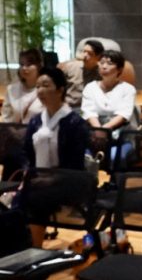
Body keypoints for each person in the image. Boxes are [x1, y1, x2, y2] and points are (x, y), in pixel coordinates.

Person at [17, 67, 90, 246]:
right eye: (38, 86)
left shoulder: (75, 123)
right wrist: (28, 173)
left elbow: (74, 164)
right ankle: (18, 247)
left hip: (67, 181)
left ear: (60, 90)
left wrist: (51, 179)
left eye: (46, 85)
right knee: (20, 197)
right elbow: (26, 152)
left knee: (34, 198)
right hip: (38, 179)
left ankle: (34, 248)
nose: (40, 91)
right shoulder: (36, 121)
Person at [81, 49, 138, 136]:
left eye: (109, 63)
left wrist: (105, 130)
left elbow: (123, 115)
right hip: (95, 131)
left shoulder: (128, 89)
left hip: (120, 132)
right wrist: (99, 131)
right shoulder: (90, 87)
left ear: (119, 69)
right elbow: (89, 113)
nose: (104, 66)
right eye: (102, 62)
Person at [2, 49, 45, 124]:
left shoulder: (46, 89)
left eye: (29, 65)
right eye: (21, 65)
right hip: (15, 133)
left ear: (39, 66)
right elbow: (6, 117)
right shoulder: (11, 89)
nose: (24, 68)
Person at [61, 39, 103, 108]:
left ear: (98, 57)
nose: (85, 55)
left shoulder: (101, 72)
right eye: (84, 51)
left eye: (90, 53)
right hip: (69, 106)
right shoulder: (70, 66)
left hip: (91, 109)